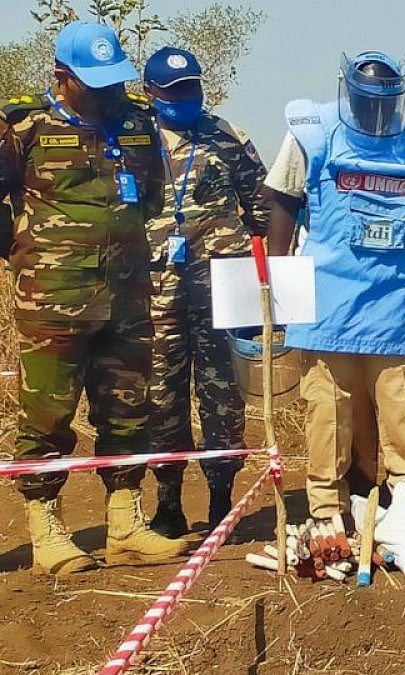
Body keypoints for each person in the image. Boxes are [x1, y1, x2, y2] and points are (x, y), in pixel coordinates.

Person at [0, 21, 187, 575]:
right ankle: (46, 531)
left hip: (128, 297)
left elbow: (151, 195)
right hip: (51, 300)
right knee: (46, 414)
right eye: (94, 82)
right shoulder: (22, 125)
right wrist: (18, 249)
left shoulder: (135, 123)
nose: (108, 91)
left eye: (114, 79)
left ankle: (125, 525)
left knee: (128, 410)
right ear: (62, 76)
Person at [264, 51, 405, 531]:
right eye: (368, 102)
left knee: (404, 409)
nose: (377, 113)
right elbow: (283, 201)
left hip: (395, 305)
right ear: (350, 93)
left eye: (386, 104)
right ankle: (327, 510)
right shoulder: (311, 131)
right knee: (327, 411)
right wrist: (281, 276)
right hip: (327, 302)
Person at [139, 47, 270, 537]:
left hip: (223, 287)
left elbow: (260, 208)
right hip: (155, 290)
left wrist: (265, 281)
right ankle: (167, 502)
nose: (184, 98)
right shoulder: (134, 139)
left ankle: (221, 500)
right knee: (160, 396)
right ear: (152, 93)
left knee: (223, 396)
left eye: (191, 88)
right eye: (173, 92)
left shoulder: (228, 137)